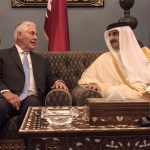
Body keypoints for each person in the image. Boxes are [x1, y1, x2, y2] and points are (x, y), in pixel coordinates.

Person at [0, 21, 68, 132]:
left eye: (36, 34)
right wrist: (6, 92)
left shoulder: (40, 60)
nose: (35, 37)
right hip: (7, 99)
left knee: (33, 105)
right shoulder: (3, 55)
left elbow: (49, 77)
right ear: (19, 35)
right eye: (32, 33)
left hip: (31, 99)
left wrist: (58, 81)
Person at [78, 22, 150, 101]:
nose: (111, 38)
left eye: (115, 34)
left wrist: (147, 93)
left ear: (125, 35)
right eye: (109, 35)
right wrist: (92, 83)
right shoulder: (105, 58)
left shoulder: (145, 54)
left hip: (145, 93)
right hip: (120, 92)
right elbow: (87, 77)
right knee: (114, 91)